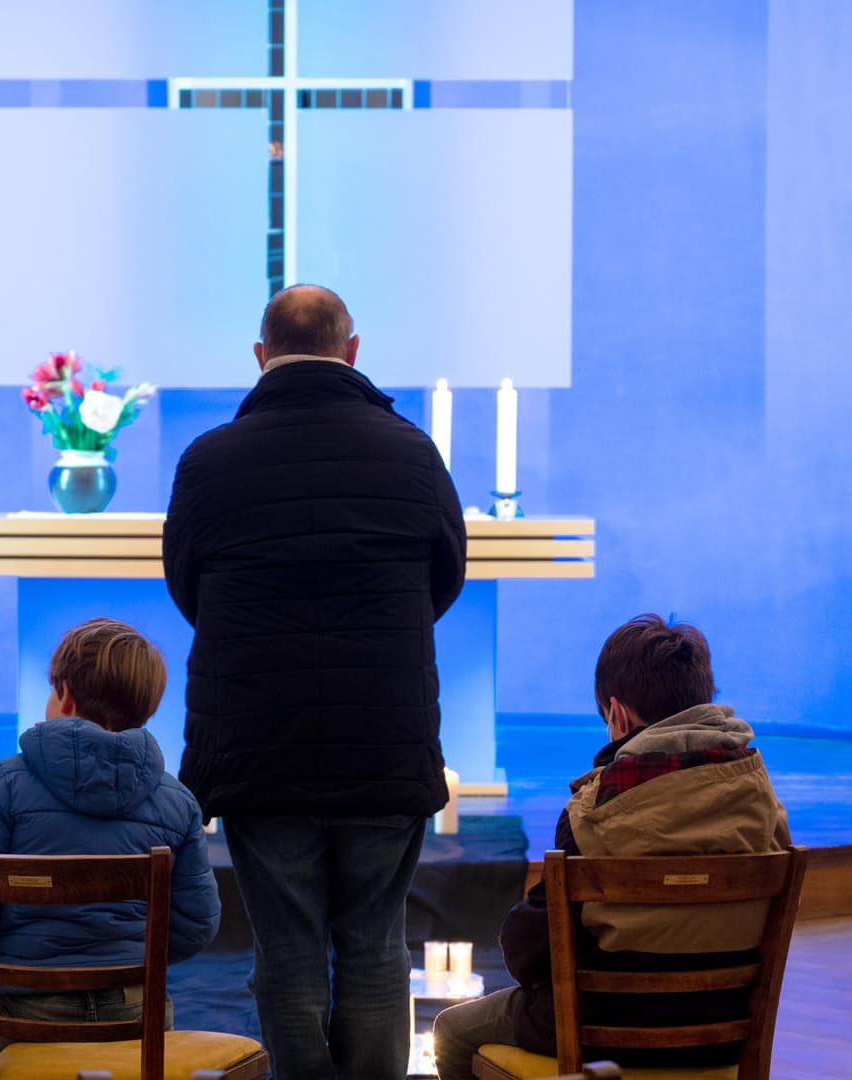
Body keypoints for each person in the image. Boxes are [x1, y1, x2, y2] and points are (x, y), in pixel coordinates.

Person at [163, 284, 468, 1080]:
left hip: (260, 744)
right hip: (385, 737)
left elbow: (187, 586)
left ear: (260, 357)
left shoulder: (209, 460)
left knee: (287, 951)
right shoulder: (411, 451)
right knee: (373, 947)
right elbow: (446, 579)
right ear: (353, 351)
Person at [431, 615, 792, 1079]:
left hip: (596, 1029)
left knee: (453, 1031)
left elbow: (527, 955)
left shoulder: (594, 812)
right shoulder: (763, 801)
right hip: (723, 1029)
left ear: (617, 714)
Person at [0, 617, 219, 1044]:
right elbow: (197, 923)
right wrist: (135, 960)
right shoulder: (179, 802)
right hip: (136, 1014)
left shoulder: (4, 783)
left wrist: (12, 956)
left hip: (27, 1009)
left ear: (65, 696)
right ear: (147, 709)